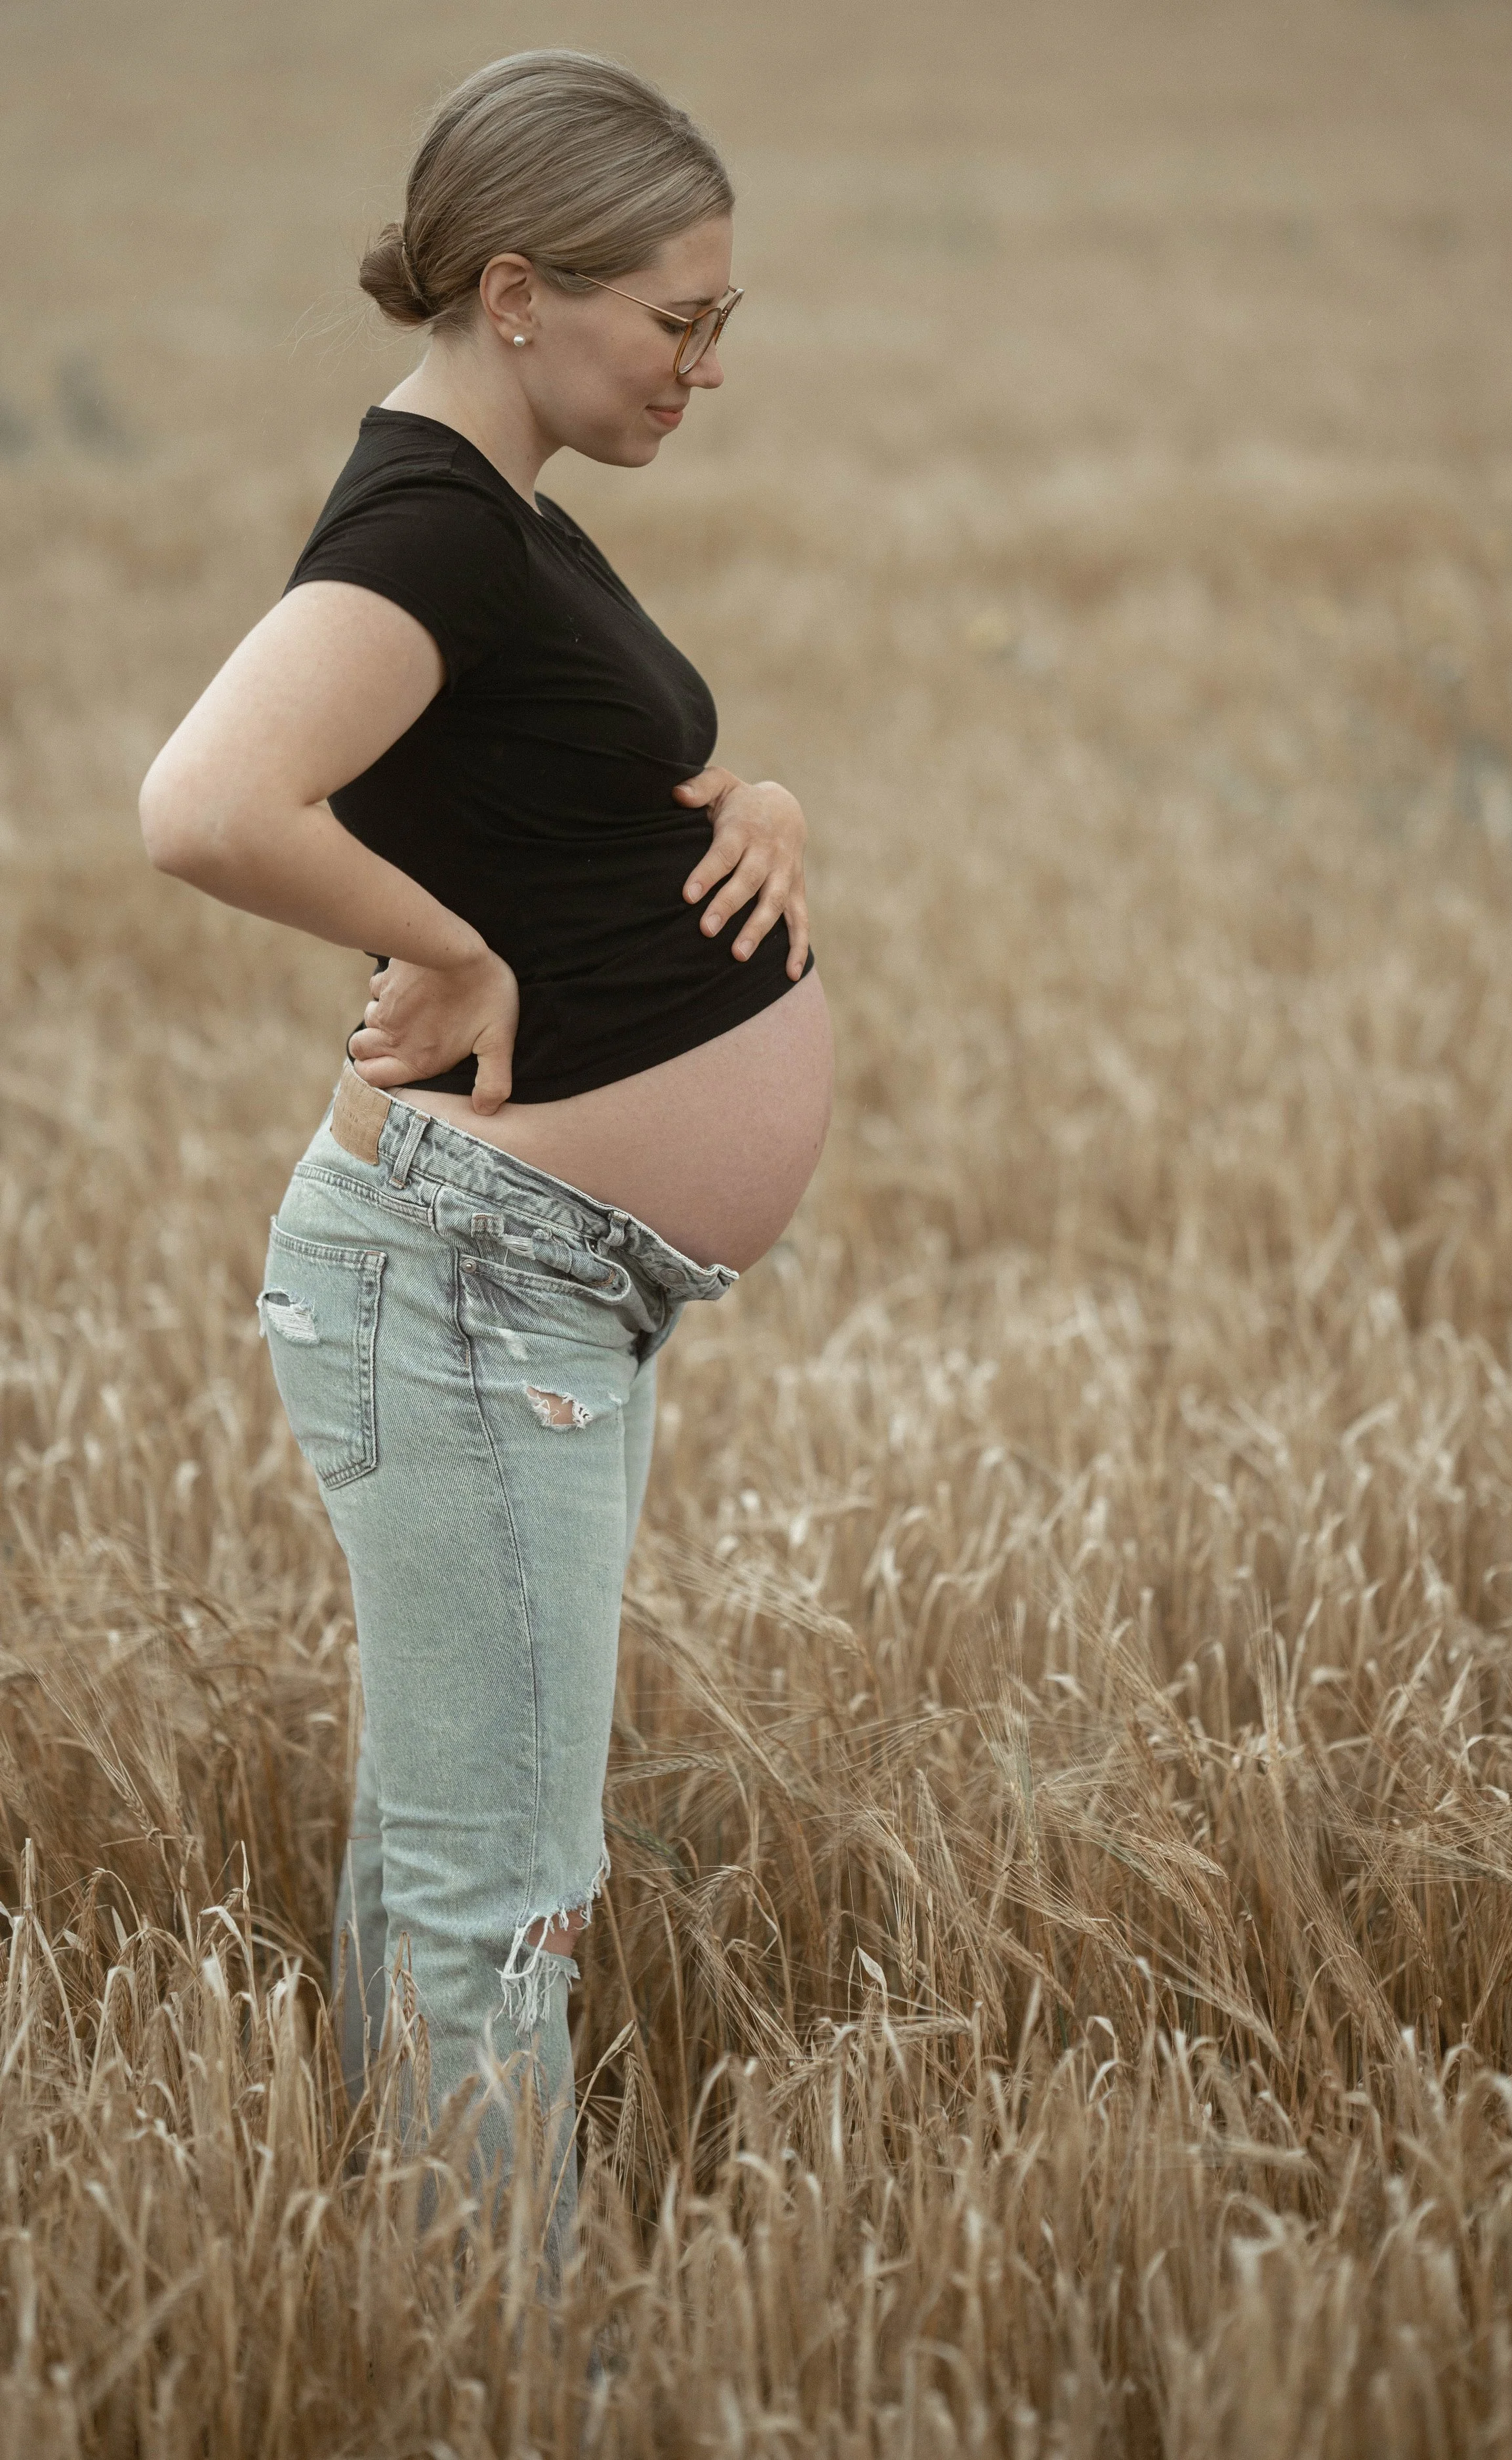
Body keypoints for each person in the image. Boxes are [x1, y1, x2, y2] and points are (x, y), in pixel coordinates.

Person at [137, 49, 833, 2253]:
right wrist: (446, 951)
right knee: (493, 1884)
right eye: (679, 320)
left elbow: (558, 762)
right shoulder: (434, 518)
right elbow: (206, 803)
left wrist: (752, 798)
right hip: (463, 1276)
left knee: (450, 1853)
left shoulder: (492, 512)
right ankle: (493, 2360)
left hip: (529, 1273)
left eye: (721, 325)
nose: (706, 367)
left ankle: (404, 2303)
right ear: (517, 291)